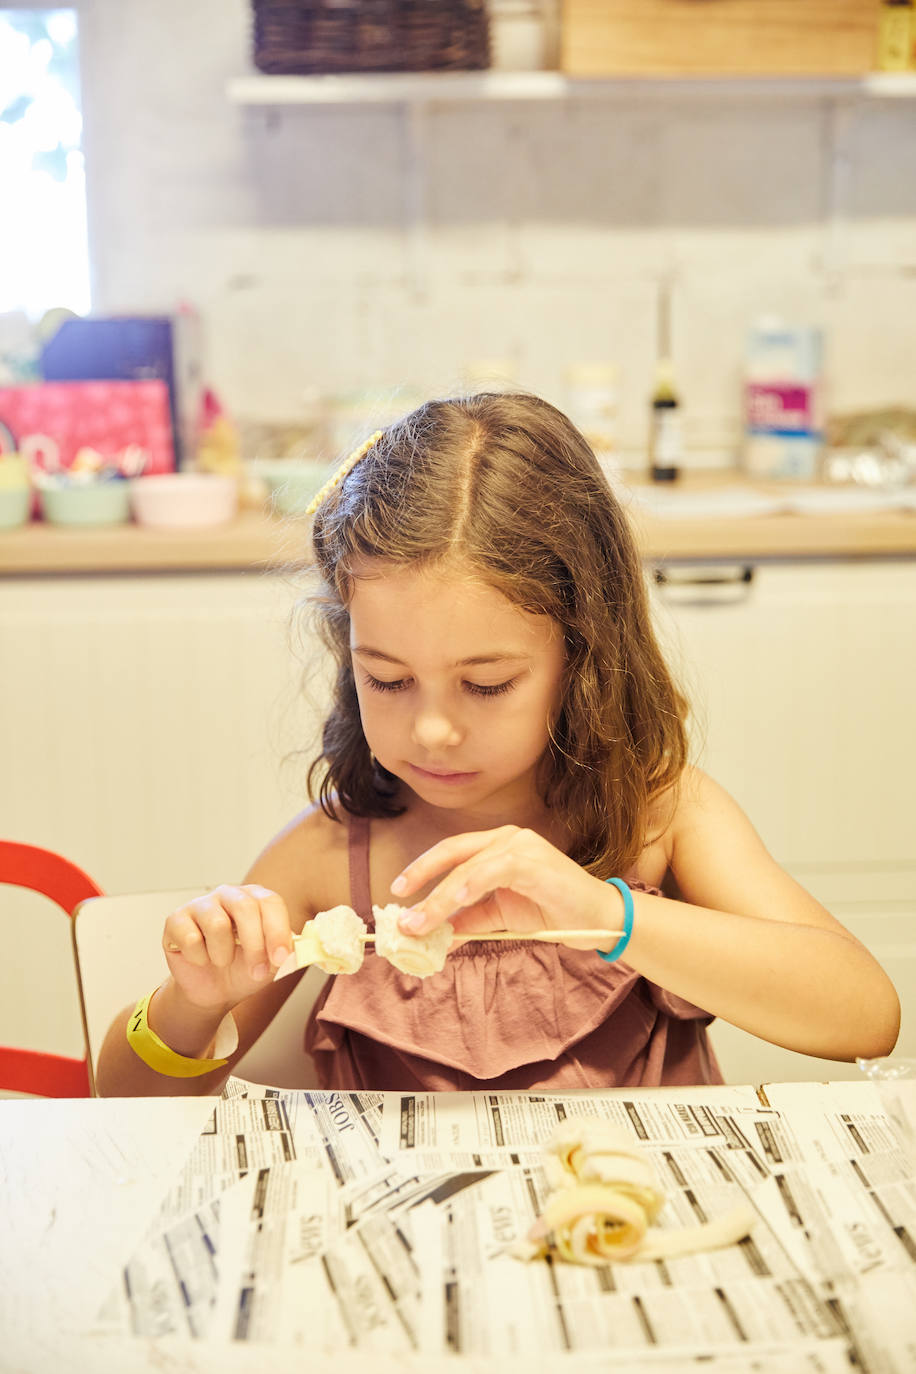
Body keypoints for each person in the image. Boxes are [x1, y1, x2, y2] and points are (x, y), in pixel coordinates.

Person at [97, 392, 900, 1097]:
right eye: (387, 679)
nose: (433, 729)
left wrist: (602, 915)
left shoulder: (662, 816)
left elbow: (865, 1015)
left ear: (581, 656)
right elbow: (127, 1101)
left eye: (485, 685)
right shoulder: (327, 859)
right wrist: (194, 1004)